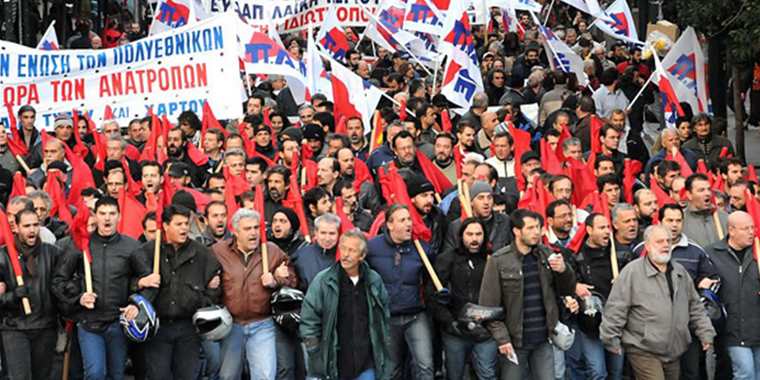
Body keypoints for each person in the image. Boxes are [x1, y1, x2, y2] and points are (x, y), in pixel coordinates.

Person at [52, 196, 156, 380]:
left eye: (112, 214)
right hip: (88, 323)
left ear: (119, 217)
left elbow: (150, 282)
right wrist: (79, 297)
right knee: (95, 374)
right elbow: (58, 281)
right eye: (102, 213)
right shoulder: (80, 245)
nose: (107, 218)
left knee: (116, 375)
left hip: (119, 321)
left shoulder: (132, 247)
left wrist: (137, 304)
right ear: (96, 216)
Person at [600, 225, 716, 380]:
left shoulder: (680, 272)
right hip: (643, 348)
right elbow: (617, 307)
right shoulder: (632, 272)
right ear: (647, 246)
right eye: (659, 241)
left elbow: (694, 306)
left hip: (674, 350)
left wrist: (705, 333)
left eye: (668, 241)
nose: (665, 245)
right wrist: (610, 337)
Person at [478, 209, 576, 380]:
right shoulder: (499, 260)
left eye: (538, 227)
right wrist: (502, 339)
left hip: (544, 340)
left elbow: (567, 290)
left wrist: (563, 270)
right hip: (514, 343)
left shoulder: (547, 254)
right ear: (517, 231)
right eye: (530, 228)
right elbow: (488, 308)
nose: (536, 232)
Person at [213, 208, 297, 380]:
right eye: (247, 229)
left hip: (262, 325)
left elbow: (293, 281)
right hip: (231, 324)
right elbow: (202, 275)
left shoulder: (271, 251)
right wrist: (211, 282)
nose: (253, 233)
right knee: (227, 376)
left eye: (256, 228)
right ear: (235, 231)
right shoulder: (218, 251)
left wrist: (278, 280)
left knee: (265, 376)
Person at [139, 205, 222, 380]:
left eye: (186, 223)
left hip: (188, 329)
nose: (184, 228)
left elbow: (215, 286)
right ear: (166, 226)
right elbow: (131, 283)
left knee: (187, 376)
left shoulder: (201, 253)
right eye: (179, 224)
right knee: (158, 375)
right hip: (158, 328)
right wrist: (141, 282)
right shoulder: (149, 251)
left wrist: (205, 300)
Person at [300, 230, 391, 380]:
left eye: (352, 250)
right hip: (334, 362)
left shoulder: (373, 280)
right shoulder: (323, 281)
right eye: (343, 248)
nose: (345, 254)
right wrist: (314, 350)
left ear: (362, 256)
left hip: (366, 362)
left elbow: (384, 315)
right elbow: (309, 318)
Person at [366, 204, 435, 380]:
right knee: (391, 370)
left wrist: (437, 294)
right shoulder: (371, 248)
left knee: (425, 365)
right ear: (389, 224)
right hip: (386, 318)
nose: (408, 224)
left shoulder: (422, 249)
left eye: (409, 219)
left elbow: (430, 281)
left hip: (415, 316)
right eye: (402, 220)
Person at [429, 219, 498, 380]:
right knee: (455, 375)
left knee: (487, 374)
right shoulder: (447, 260)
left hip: (485, 331)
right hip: (455, 331)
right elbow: (431, 295)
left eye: (479, 234)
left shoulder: (492, 261)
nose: (474, 239)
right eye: (470, 234)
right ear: (461, 236)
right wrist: (448, 322)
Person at [0, 207, 61, 380]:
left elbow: (61, 286)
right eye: (26, 226)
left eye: (36, 225)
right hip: (14, 328)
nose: (32, 229)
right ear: (16, 228)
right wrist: (12, 297)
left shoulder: (53, 253)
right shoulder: (3, 257)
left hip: (45, 327)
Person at [705, 211, 760, 380]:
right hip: (732, 330)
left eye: (752, 227)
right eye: (745, 228)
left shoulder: (758, 252)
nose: (751, 232)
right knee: (746, 374)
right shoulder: (712, 254)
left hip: (757, 327)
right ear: (732, 230)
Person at [291, 214, 341, 291]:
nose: (327, 238)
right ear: (316, 233)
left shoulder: (345, 256)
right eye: (323, 233)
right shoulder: (301, 256)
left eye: (332, 233)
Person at [682, 173, 729, 249]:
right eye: (701, 190)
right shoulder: (681, 221)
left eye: (709, 189)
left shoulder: (724, 217)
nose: (707, 193)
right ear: (689, 195)